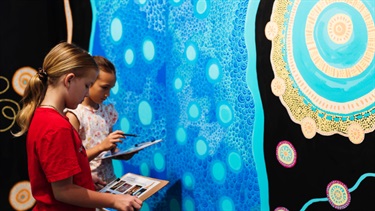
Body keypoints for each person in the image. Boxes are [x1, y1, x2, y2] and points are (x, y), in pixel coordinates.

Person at [13, 42, 142, 211]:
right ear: (69, 80)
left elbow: (59, 174)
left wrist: (84, 178)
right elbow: (63, 191)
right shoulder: (56, 127)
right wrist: (113, 200)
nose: (87, 93)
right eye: (87, 85)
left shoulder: (44, 117)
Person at [65, 55, 134, 190]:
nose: (108, 93)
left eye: (111, 88)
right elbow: (72, 159)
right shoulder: (75, 115)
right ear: (89, 82)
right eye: (104, 87)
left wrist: (122, 154)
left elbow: (110, 149)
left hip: (109, 182)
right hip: (87, 185)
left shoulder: (107, 112)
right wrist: (102, 146)